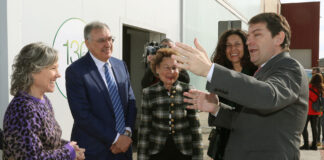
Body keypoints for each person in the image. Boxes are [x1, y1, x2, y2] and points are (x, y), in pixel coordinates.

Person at [172, 12, 308, 159]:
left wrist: (210, 70)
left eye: (257, 34)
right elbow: (246, 121)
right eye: (248, 37)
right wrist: (216, 108)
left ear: (279, 38)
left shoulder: (289, 67)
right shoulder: (263, 72)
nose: (248, 42)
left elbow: (268, 96)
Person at [65, 21, 136, 160]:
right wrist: (115, 138)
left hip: (124, 150)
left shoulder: (120, 65)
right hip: (95, 151)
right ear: (87, 43)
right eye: (102, 40)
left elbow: (131, 102)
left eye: (110, 39)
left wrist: (126, 134)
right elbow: (82, 115)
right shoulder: (76, 71)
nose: (108, 44)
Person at [3, 42, 85, 159]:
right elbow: (32, 157)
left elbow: (47, 141)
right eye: (53, 68)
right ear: (33, 70)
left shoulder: (43, 100)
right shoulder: (22, 109)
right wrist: (68, 152)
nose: (58, 74)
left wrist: (70, 147)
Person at [137, 48, 203, 160]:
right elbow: (145, 128)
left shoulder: (188, 91)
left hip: (184, 152)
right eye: (166, 67)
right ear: (157, 69)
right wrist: (142, 157)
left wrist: (198, 156)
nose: (171, 72)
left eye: (174, 68)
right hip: (157, 152)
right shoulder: (148, 93)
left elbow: (195, 128)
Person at [207, 29, 257, 160]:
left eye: (237, 44)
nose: (232, 48)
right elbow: (212, 118)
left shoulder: (256, 74)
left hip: (250, 145)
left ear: (246, 47)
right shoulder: (219, 75)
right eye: (228, 45)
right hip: (223, 144)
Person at [300, 73, 324, 150]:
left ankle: (306, 144)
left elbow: (304, 97)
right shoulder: (322, 88)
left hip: (307, 111)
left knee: (304, 128)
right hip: (317, 111)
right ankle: (314, 145)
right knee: (315, 128)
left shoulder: (309, 86)